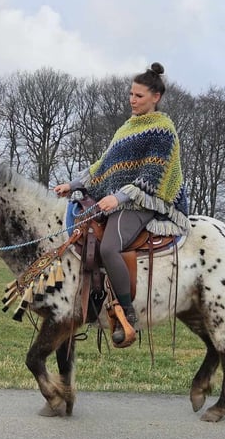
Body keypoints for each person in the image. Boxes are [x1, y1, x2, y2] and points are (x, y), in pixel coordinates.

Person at [54, 62, 190, 346]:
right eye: (131, 94)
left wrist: (119, 197)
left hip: (146, 202)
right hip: (119, 199)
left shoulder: (163, 130)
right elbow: (105, 165)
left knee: (109, 246)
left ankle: (127, 315)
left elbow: (152, 173)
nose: (132, 100)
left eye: (139, 96)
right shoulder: (127, 127)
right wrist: (75, 184)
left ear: (156, 97)